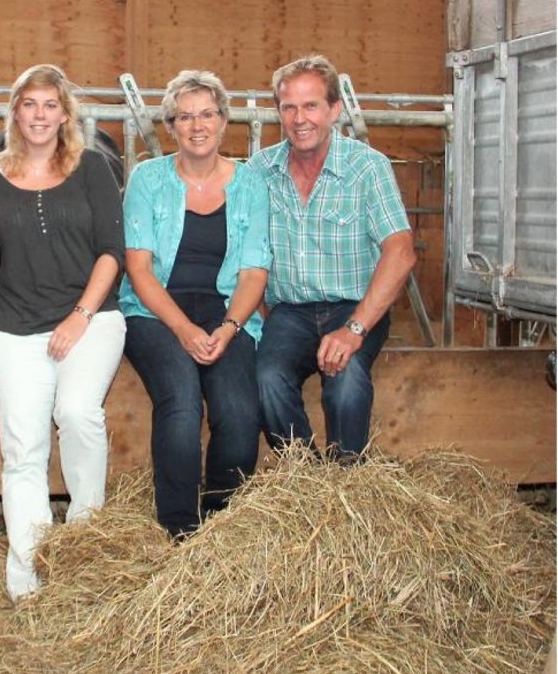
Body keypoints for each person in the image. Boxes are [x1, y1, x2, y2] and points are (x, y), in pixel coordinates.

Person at [0, 64, 125, 601]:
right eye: (29, 104)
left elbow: (112, 252)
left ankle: (85, 546)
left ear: (65, 113)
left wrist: (79, 316)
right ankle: (27, 575)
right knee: (23, 445)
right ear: (15, 112)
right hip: (12, 327)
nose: (39, 115)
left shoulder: (93, 169)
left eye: (49, 105)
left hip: (91, 319)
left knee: (78, 414)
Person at [119, 69, 271, 540]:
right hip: (156, 313)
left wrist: (228, 328)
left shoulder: (250, 184)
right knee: (181, 404)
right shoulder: (147, 179)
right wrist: (184, 330)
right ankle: (180, 530)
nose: (197, 125)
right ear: (171, 127)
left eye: (207, 114)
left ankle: (221, 524)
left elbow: (253, 274)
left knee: (241, 412)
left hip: (227, 311)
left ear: (225, 122)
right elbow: (140, 270)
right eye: (185, 117)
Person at [248, 55, 415, 462]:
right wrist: (264, 316)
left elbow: (401, 252)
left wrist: (355, 328)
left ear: (334, 110)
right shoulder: (258, 170)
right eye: (289, 107)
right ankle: (304, 478)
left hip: (352, 305)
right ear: (278, 113)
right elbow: (246, 252)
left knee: (346, 379)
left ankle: (347, 478)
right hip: (289, 311)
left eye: (311, 106)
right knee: (264, 376)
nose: (299, 118)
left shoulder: (367, 167)